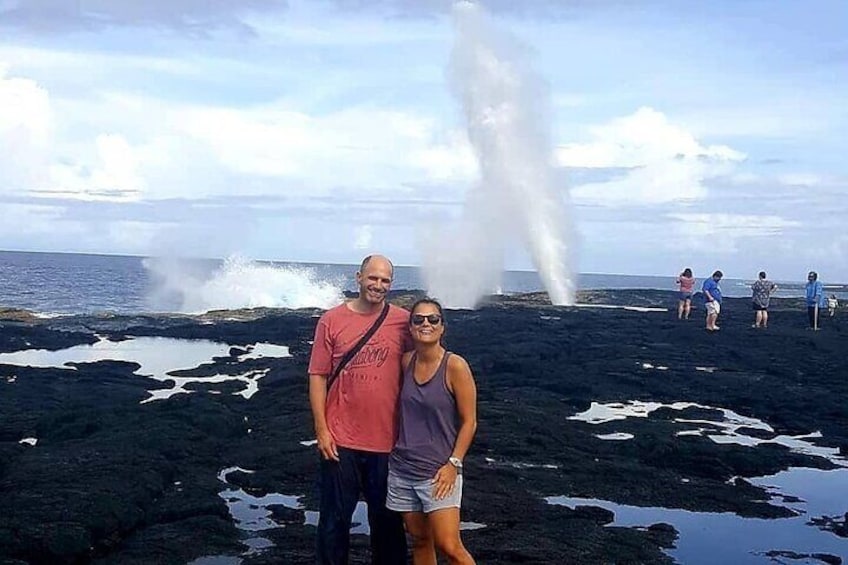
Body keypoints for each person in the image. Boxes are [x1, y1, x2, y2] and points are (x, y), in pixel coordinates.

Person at [308, 255, 410, 565]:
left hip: (388, 443)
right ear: (358, 277)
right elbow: (318, 376)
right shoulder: (331, 320)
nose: (378, 285)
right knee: (334, 523)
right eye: (373, 278)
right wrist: (322, 430)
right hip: (341, 443)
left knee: (389, 526)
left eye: (385, 281)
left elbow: (428, 363)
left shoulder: (404, 321)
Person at [387, 298, 478, 565]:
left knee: (450, 546)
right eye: (418, 319)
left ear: (442, 327)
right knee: (420, 540)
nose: (425, 323)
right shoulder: (406, 362)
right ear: (411, 327)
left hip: (439, 473)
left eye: (433, 319)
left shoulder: (455, 366)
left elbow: (470, 421)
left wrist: (454, 463)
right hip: (402, 470)